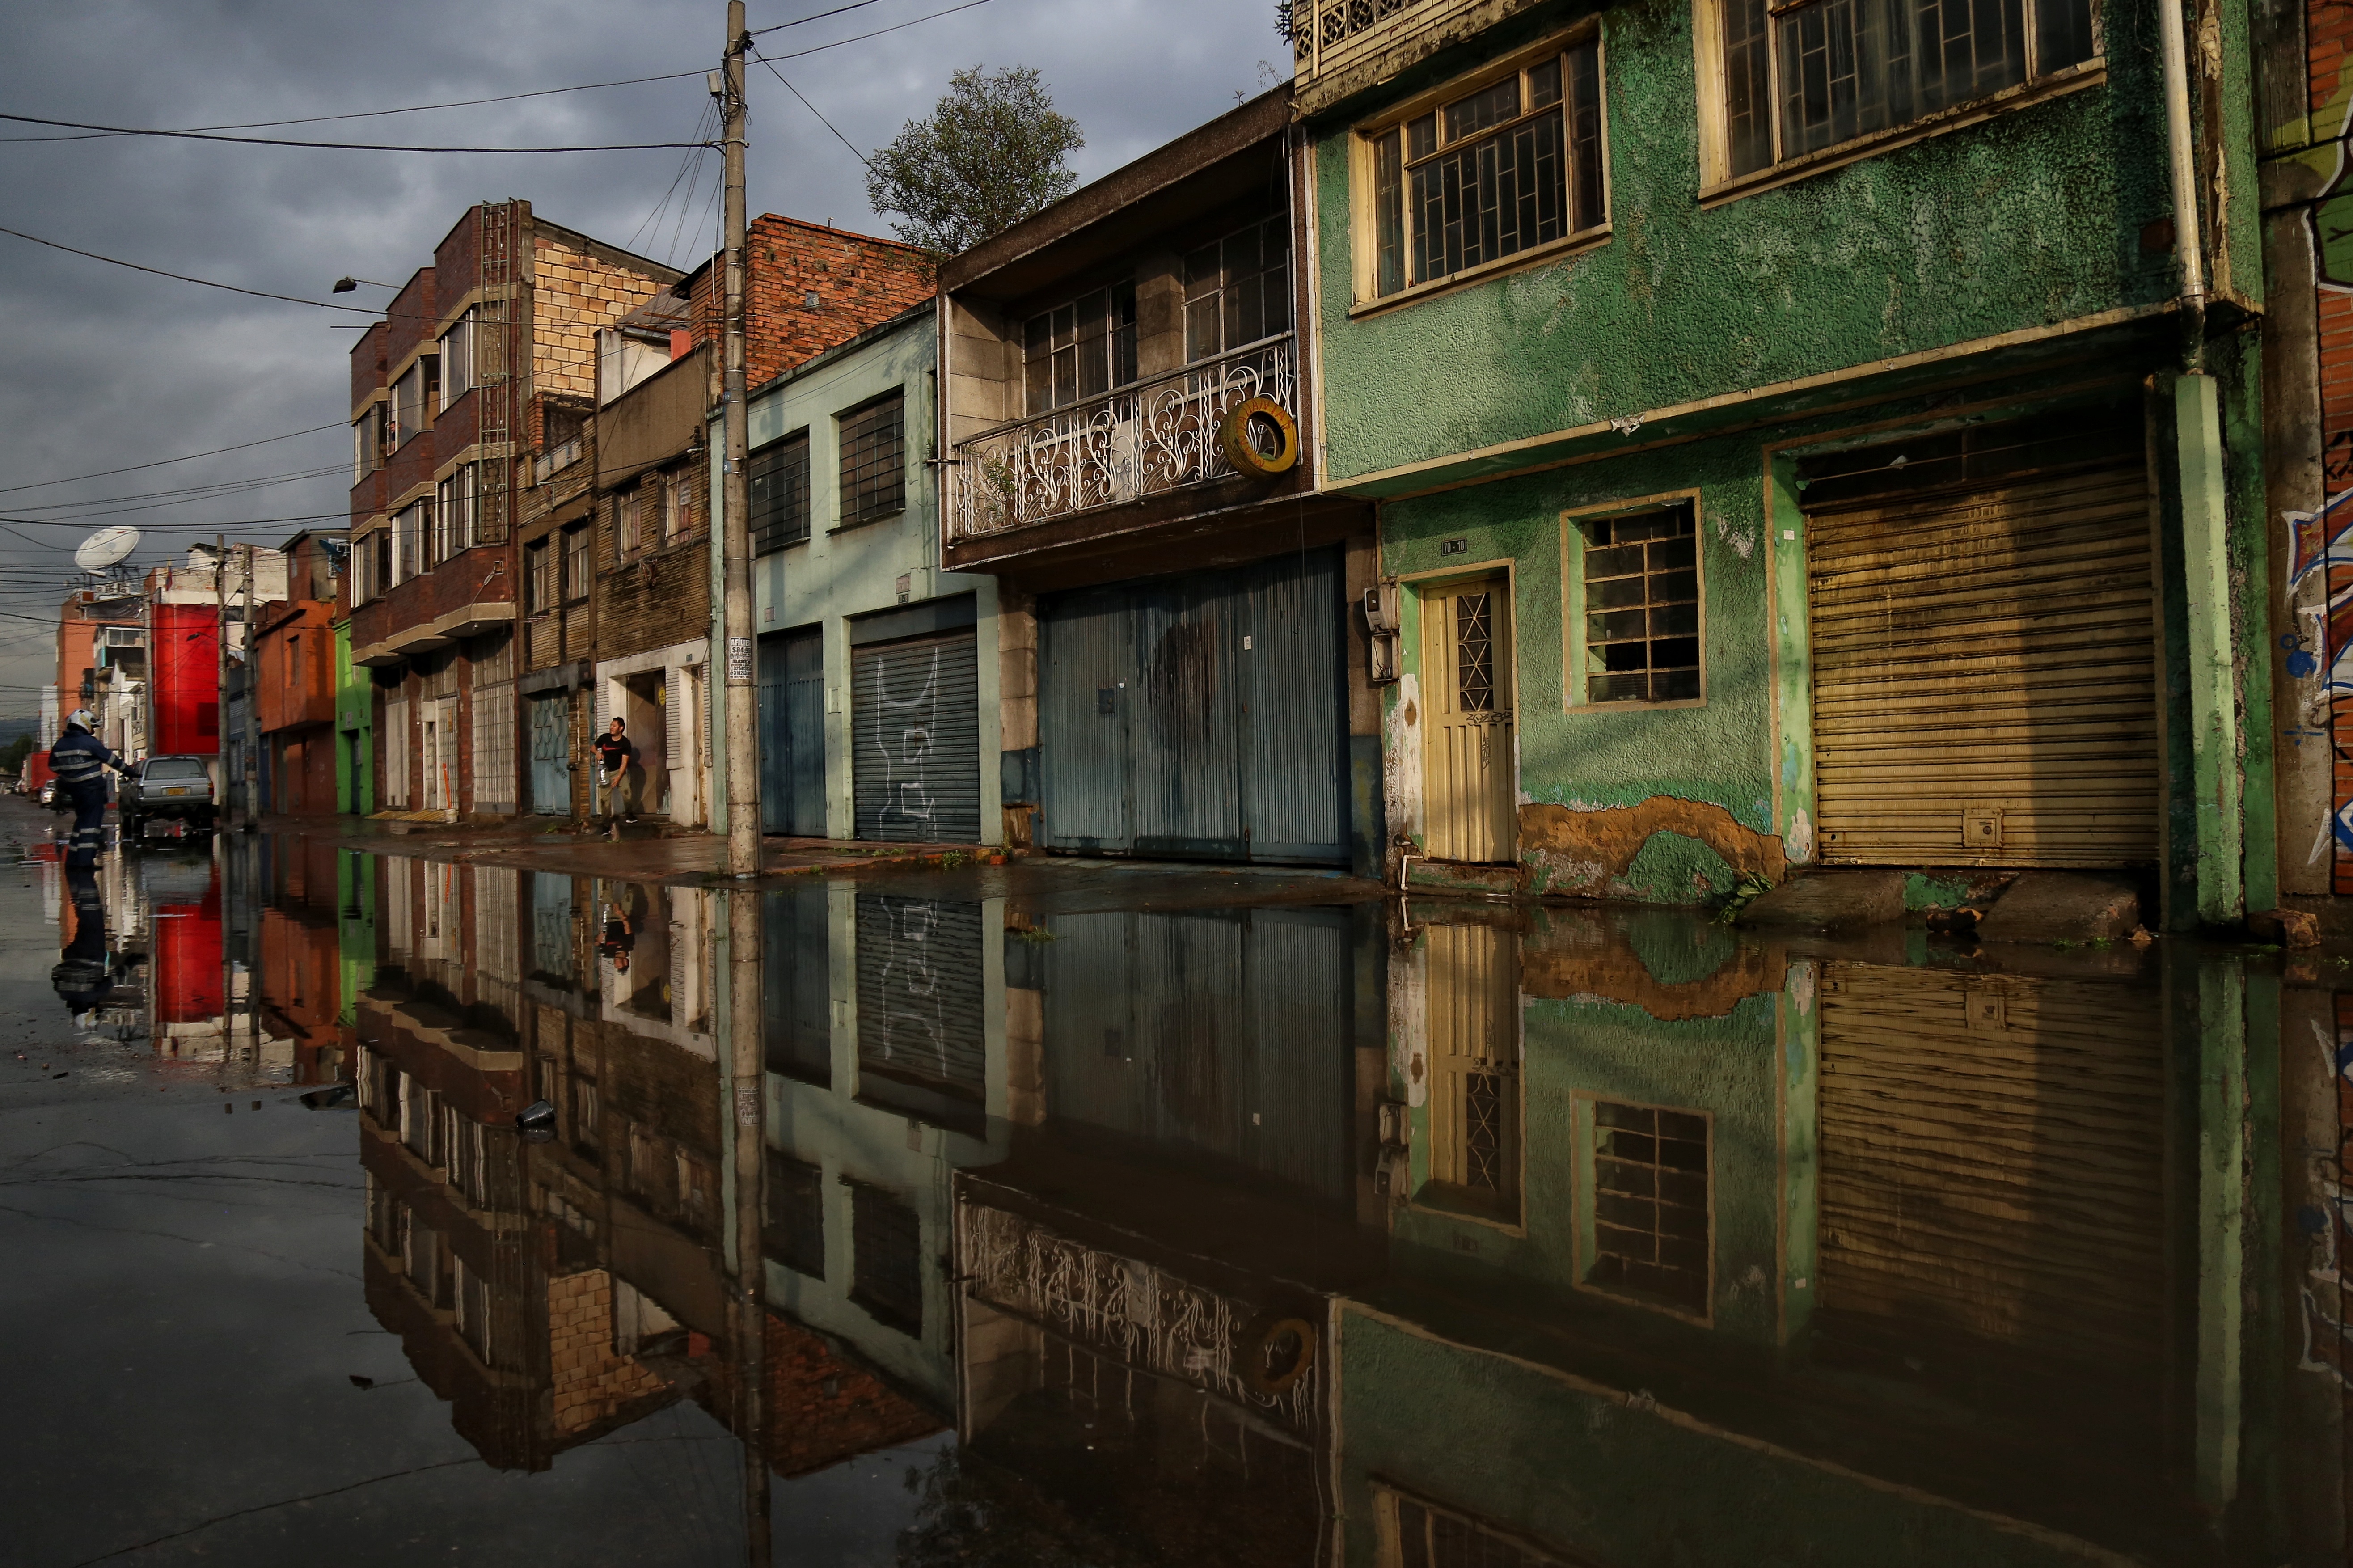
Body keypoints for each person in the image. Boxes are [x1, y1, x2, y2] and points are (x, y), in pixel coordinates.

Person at [48, 710, 129, 866]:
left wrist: (70, 772)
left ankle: (72, 862)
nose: (93, 730)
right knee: (90, 826)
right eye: (91, 726)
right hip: (92, 791)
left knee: (81, 824)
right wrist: (131, 772)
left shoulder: (61, 744)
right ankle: (85, 864)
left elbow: (53, 766)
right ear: (83, 723)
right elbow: (112, 760)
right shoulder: (90, 742)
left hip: (75, 791)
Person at [593, 718, 638, 839]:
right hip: (605, 772)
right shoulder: (605, 738)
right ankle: (605, 826)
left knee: (627, 793)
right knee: (605, 800)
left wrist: (618, 778)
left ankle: (629, 815)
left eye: (614, 726)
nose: (611, 728)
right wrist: (597, 753)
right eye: (611, 726)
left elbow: (624, 763)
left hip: (619, 771)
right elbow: (593, 747)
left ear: (621, 728)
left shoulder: (625, 743)